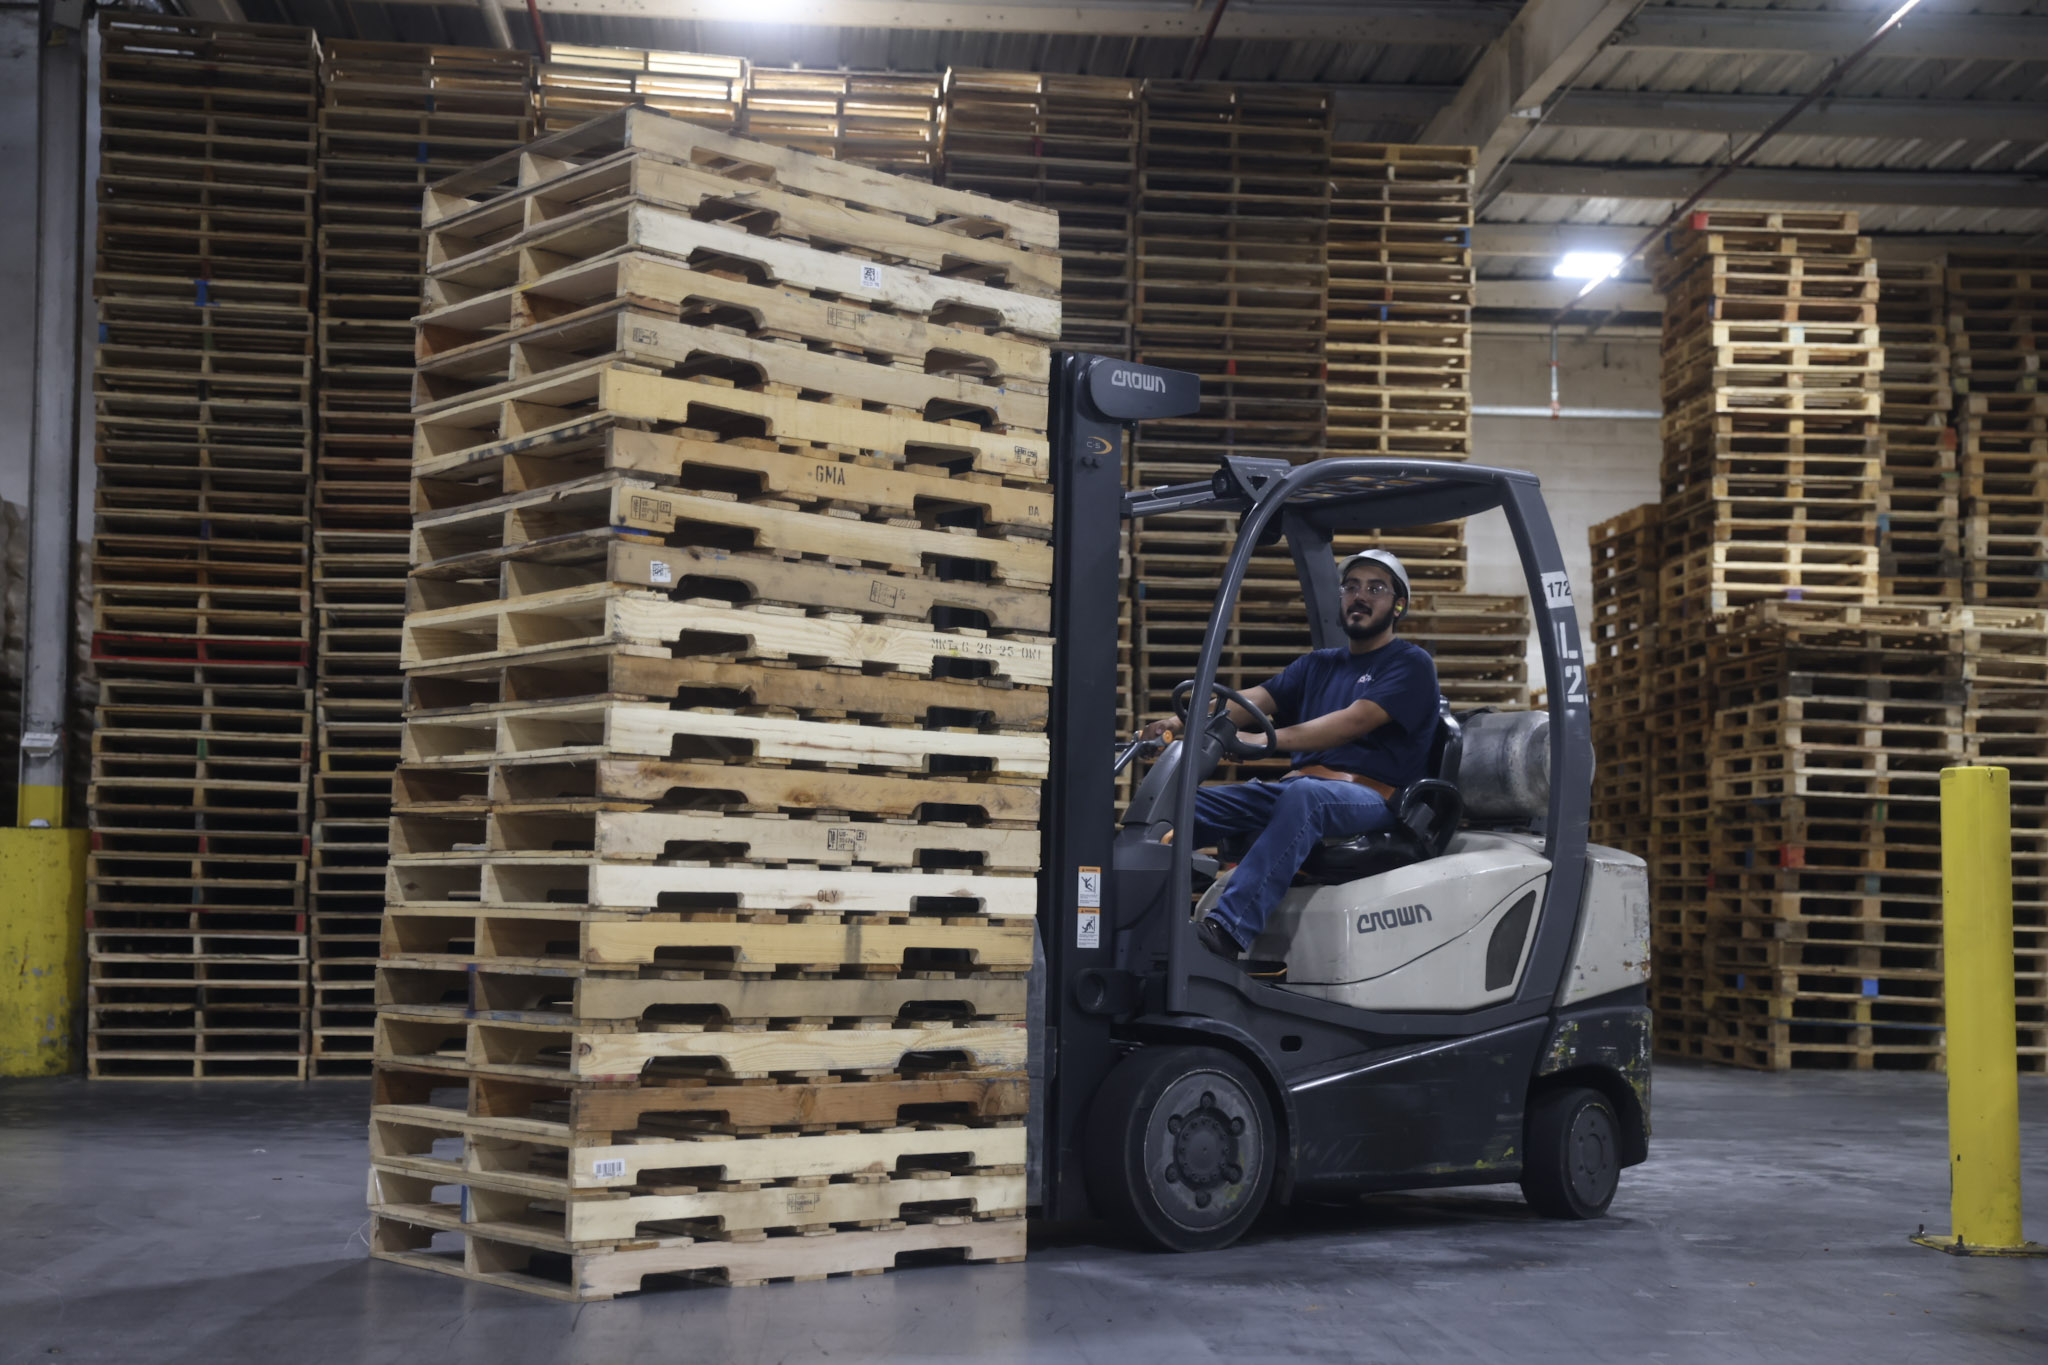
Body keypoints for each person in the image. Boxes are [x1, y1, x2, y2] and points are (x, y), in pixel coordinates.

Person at [1142, 549, 1443, 961]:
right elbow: (1251, 701)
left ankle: (1229, 929)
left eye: (1376, 589)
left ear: (1398, 605)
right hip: (1298, 788)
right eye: (1352, 587)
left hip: (1369, 797)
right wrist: (1179, 723)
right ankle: (1144, 922)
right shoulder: (1318, 665)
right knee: (1182, 803)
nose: (1360, 596)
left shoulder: (1410, 664)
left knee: (1306, 799)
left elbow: (1352, 722)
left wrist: (1261, 743)